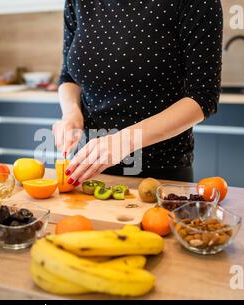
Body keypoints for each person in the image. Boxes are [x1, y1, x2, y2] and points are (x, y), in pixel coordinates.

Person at [52, 0, 223, 186]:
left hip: (157, 174)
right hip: (87, 168)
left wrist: (123, 142)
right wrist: (72, 114)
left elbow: (203, 97)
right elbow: (68, 77)